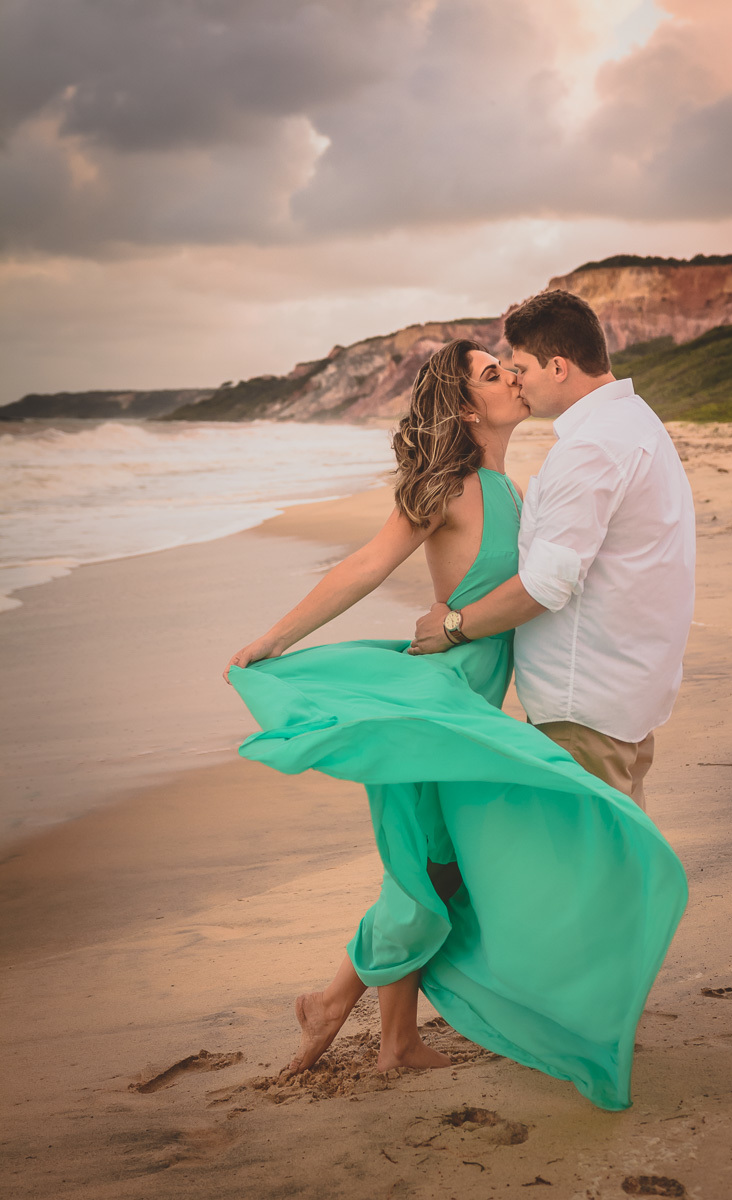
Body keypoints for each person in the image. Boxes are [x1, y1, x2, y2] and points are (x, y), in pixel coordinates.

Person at [225, 337, 687, 1111]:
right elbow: (364, 565)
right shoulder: (449, 486)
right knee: (429, 866)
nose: (511, 376)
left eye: (510, 366)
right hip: (435, 707)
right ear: (468, 406)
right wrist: (275, 638)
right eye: (491, 372)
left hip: (472, 706)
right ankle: (368, 1023)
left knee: (433, 865)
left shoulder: (514, 487)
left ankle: (365, 1019)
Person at [411, 290, 696, 812]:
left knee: (583, 873)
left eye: (520, 367)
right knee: (614, 856)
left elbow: (547, 585)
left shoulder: (589, 449)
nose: (516, 380)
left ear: (559, 366)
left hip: (584, 704)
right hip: (627, 691)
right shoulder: (638, 423)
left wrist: (452, 627)